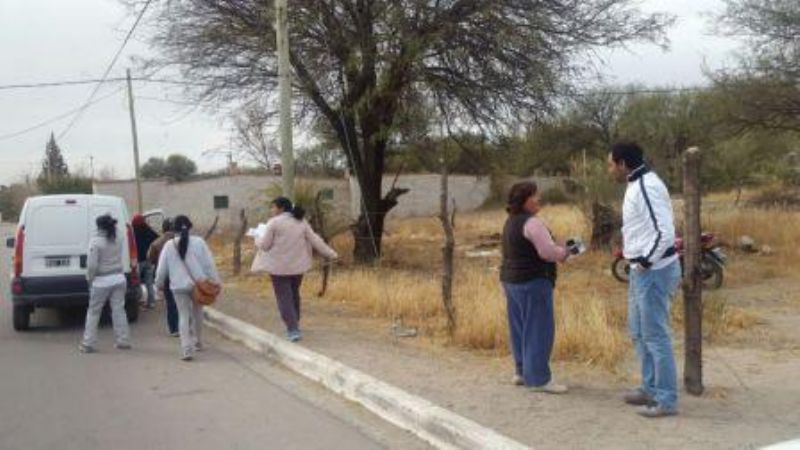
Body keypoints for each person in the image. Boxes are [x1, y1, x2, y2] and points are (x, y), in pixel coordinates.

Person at [608, 142, 682, 418]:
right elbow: (643, 227)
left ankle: (666, 400)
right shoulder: (635, 183)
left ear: (623, 163)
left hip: (654, 271)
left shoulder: (646, 186)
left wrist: (645, 261)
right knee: (639, 332)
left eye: (610, 164)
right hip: (642, 272)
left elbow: (664, 231)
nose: (609, 169)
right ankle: (650, 388)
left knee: (656, 336)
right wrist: (630, 253)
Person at [500, 181, 579, 394]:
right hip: (533, 282)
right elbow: (547, 252)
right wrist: (566, 252)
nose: (538, 199)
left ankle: (522, 372)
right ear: (524, 200)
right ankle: (538, 379)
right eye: (534, 195)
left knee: (519, 328)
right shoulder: (533, 223)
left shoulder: (510, 222)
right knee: (538, 330)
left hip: (510, 281)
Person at [251, 197, 338, 342]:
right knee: (294, 294)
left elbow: (265, 246)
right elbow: (315, 240)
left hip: (278, 268)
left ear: (280, 208)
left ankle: (292, 329)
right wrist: (331, 253)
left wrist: (256, 237)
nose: (271, 210)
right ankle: (295, 322)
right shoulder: (301, 221)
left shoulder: (274, 223)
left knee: (283, 297)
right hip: (298, 267)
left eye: (273, 207)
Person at [154, 215, 221, 361]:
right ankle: (198, 342)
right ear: (190, 226)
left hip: (178, 286)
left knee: (183, 316)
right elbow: (209, 264)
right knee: (197, 313)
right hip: (198, 285)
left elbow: (161, 270)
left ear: (173, 229)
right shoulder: (199, 242)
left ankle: (186, 349)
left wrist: (158, 285)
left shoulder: (169, 245)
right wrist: (216, 281)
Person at [80, 214, 131, 353]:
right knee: (119, 310)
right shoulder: (119, 237)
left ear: (99, 226)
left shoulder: (95, 241)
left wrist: (89, 279)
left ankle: (88, 343)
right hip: (119, 278)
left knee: (94, 312)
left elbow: (91, 266)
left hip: (101, 280)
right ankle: (123, 340)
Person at [147, 217, 178, 336]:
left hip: (166, 275)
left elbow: (150, 258)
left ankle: (174, 328)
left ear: (163, 228)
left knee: (170, 302)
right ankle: (185, 326)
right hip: (181, 274)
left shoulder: (156, 242)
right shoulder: (182, 240)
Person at [132, 214, 159, 309]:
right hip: (149, 260)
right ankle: (151, 302)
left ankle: (139, 301)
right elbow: (157, 238)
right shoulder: (148, 230)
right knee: (149, 282)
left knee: (136, 282)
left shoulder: (133, 232)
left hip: (138, 261)